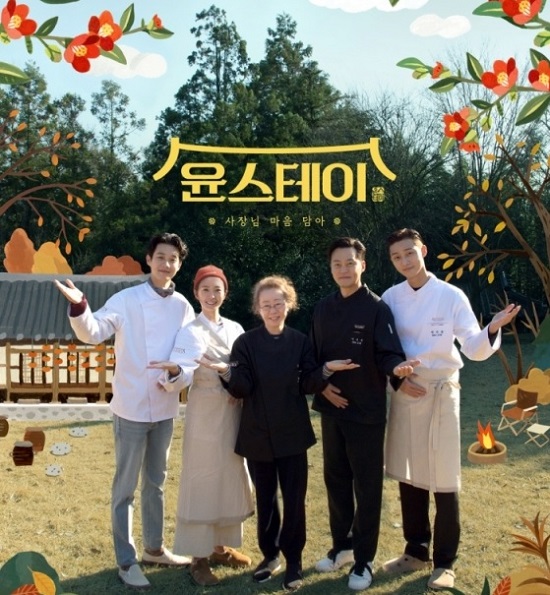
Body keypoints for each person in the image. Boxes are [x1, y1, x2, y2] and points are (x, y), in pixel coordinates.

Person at [200, 275, 361, 592]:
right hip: (257, 434)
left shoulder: (300, 342)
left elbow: (308, 383)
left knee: (295, 501)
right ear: (257, 308)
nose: (273, 310)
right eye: (266, 305)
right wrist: (226, 371)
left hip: (292, 435)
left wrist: (326, 369)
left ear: (289, 304)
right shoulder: (246, 343)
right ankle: (270, 556)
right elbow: (242, 388)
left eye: (278, 304)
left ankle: (294, 562)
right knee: (266, 500)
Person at [380, 228, 520, 591]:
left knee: (444, 476)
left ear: (423, 250)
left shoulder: (450, 295)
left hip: (442, 389)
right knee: (410, 475)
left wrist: (492, 327)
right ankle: (415, 551)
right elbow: (384, 349)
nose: (404, 261)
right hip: (406, 391)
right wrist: (397, 380)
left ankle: (444, 562)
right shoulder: (390, 298)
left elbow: (472, 345)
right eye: (397, 257)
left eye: (410, 253)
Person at [54, 232, 195, 590]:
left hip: (164, 407)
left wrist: (177, 375)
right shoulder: (127, 299)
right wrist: (79, 307)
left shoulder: (183, 306)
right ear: (149, 259)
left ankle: (154, 549)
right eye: (160, 257)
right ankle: (126, 561)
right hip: (130, 407)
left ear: (179, 264)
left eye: (173, 259)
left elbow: (189, 354)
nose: (166, 264)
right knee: (125, 489)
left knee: (156, 482)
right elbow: (93, 331)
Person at [310, 236, 417, 592]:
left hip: (366, 413)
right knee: (335, 480)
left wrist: (397, 369)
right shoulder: (322, 308)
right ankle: (342, 547)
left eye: (350, 263)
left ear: (363, 265)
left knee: (367, 487)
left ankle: (364, 559)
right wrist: (322, 386)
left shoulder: (376, 308)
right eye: (337, 264)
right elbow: (312, 358)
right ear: (331, 268)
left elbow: (388, 353)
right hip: (331, 409)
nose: (344, 269)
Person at [149, 265, 254, 587]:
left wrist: (239, 388)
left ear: (226, 293)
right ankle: (199, 557)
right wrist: (173, 372)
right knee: (203, 478)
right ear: (196, 293)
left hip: (232, 411)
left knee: (230, 474)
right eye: (205, 289)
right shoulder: (190, 331)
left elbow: (244, 368)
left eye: (217, 289)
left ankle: (220, 547)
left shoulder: (235, 328)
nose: (211, 295)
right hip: (205, 413)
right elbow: (184, 370)